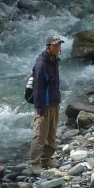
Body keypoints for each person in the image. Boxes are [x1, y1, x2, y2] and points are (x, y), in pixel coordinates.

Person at [29, 34, 63, 172]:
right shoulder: (41, 64)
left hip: (54, 102)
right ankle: (34, 163)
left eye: (59, 44)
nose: (58, 47)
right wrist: (40, 107)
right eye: (55, 45)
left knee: (51, 134)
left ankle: (46, 159)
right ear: (48, 47)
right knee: (40, 135)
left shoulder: (54, 59)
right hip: (44, 104)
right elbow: (38, 88)